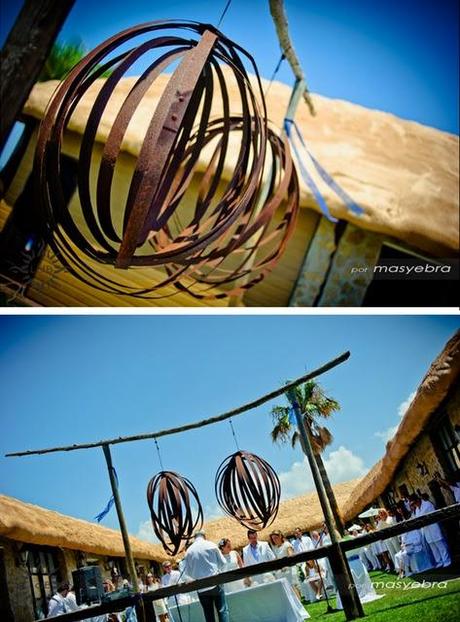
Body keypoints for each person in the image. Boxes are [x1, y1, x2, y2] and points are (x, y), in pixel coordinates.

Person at [180, 530, 229, 622]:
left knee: (208, 614)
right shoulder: (211, 545)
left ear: (194, 538)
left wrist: (197, 576)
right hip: (215, 583)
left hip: (201, 587)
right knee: (222, 611)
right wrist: (219, 573)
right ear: (204, 536)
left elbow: (187, 573)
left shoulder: (189, 551)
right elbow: (224, 563)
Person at [411, 494, 451, 568]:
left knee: (440, 544)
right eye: (413, 504)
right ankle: (439, 561)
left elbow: (432, 516)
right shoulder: (416, 509)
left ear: (418, 500)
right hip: (426, 530)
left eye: (414, 503)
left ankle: (447, 560)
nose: (414, 505)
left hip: (433, 527)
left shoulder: (427, 504)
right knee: (433, 547)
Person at [269, 530, 301, 599]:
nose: (274, 540)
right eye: (273, 539)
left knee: (293, 587)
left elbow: (291, 556)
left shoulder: (287, 545)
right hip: (282, 572)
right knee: (287, 589)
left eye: (276, 538)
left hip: (290, 570)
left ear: (280, 536)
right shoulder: (276, 548)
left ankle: (300, 606)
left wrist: (285, 565)